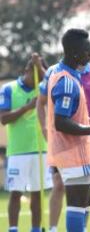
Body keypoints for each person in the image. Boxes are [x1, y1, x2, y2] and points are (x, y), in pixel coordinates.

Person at [47, 28, 90, 232]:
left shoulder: (65, 75)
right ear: (75, 53)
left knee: (85, 201)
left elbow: (76, 115)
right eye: (87, 50)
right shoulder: (66, 81)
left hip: (76, 154)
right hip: (71, 154)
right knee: (77, 206)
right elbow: (61, 122)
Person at [37, 59, 90, 232]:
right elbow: (41, 101)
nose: (87, 54)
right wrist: (46, 130)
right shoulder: (53, 72)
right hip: (62, 139)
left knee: (85, 190)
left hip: (87, 138)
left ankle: (82, 227)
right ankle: (52, 228)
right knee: (58, 184)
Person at [0, 53, 52, 232]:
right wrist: (27, 107)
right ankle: (13, 229)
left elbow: (53, 81)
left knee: (37, 193)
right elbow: (4, 119)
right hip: (18, 151)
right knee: (16, 193)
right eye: (34, 71)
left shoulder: (44, 88)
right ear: (26, 70)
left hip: (40, 149)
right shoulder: (9, 89)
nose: (36, 77)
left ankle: (35, 229)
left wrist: (42, 70)